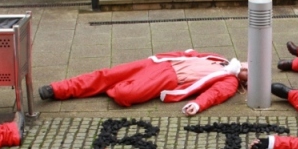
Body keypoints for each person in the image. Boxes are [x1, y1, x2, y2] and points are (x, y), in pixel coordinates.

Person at [39, 49, 248, 115]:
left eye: (249, 73)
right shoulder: (220, 58)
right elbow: (189, 53)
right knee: (107, 74)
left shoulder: (230, 81)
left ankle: (107, 88)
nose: (246, 68)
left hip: (168, 78)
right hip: (159, 64)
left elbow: (214, 95)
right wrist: (160, 56)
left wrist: (198, 104)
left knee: (125, 95)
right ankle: (57, 89)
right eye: (249, 65)